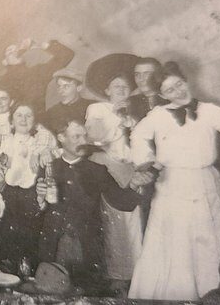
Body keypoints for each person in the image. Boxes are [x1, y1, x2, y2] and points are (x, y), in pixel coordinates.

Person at [128, 62, 220, 301]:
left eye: (179, 84)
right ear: (162, 95)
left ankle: (205, 294)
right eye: (170, 90)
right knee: (176, 240)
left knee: (209, 238)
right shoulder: (158, 116)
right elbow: (137, 136)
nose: (178, 91)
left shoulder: (209, 110)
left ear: (186, 81)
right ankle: (174, 297)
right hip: (173, 183)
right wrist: (146, 162)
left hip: (206, 181)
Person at [36, 120, 149, 294]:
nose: (83, 141)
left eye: (84, 136)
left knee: (87, 294)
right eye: (76, 137)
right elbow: (34, 211)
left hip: (87, 246)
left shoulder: (97, 170)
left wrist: (134, 184)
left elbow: (121, 202)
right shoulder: (49, 167)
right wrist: (39, 198)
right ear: (61, 138)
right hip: (53, 245)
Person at [85, 74, 143, 296]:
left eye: (125, 86)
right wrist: (117, 118)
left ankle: (136, 276)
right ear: (107, 90)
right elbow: (94, 138)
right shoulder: (97, 109)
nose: (121, 89)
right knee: (114, 223)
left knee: (134, 222)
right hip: (107, 170)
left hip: (132, 170)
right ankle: (117, 276)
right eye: (115, 85)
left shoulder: (133, 114)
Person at [0, 102, 57, 272]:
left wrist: (43, 152)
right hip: (8, 194)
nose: (23, 119)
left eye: (28, 116)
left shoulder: (40, 144)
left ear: (34, 121)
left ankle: (26, 270)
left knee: (29, 237)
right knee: (6, 235)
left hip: (32, 195)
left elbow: (54, 150)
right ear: (12, 121)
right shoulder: (4, 143)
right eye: (19, 115)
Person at [0, 39, 74, 110]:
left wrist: (45, 45)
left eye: (17, 49)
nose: (15, 52)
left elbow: (67, 55)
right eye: (10, 51)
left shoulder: (37, 72)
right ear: (4, 62)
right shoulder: (0, 81)